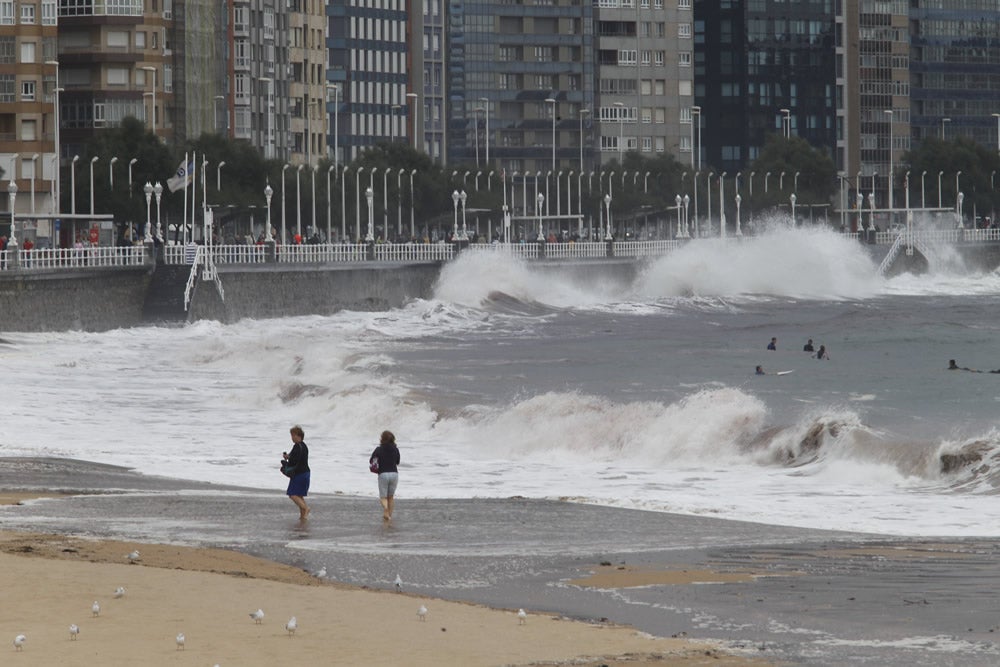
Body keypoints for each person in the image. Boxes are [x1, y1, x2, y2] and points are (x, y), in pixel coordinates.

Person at [369, 430, 400, 522]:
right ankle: (389, 516)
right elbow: (397, 462)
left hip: (383, 474)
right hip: (394, 474)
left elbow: (371, 461)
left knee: (383, 497)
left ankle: (385, 510)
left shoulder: (378, 449)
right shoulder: (396, 449)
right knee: (391, 496)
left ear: (382, 439)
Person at [282, 425, 311, 520]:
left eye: (293, 435)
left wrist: (287, 462)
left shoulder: (298, 446)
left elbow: (295, 460)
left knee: (292, 494)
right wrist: (288, 457)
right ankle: (302, 517)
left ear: (299, 436)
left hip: (300, 474)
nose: (292, 437)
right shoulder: (302, 446)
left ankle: (306, 509)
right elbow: (294, 457)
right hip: (305, 473)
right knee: (299, 495)